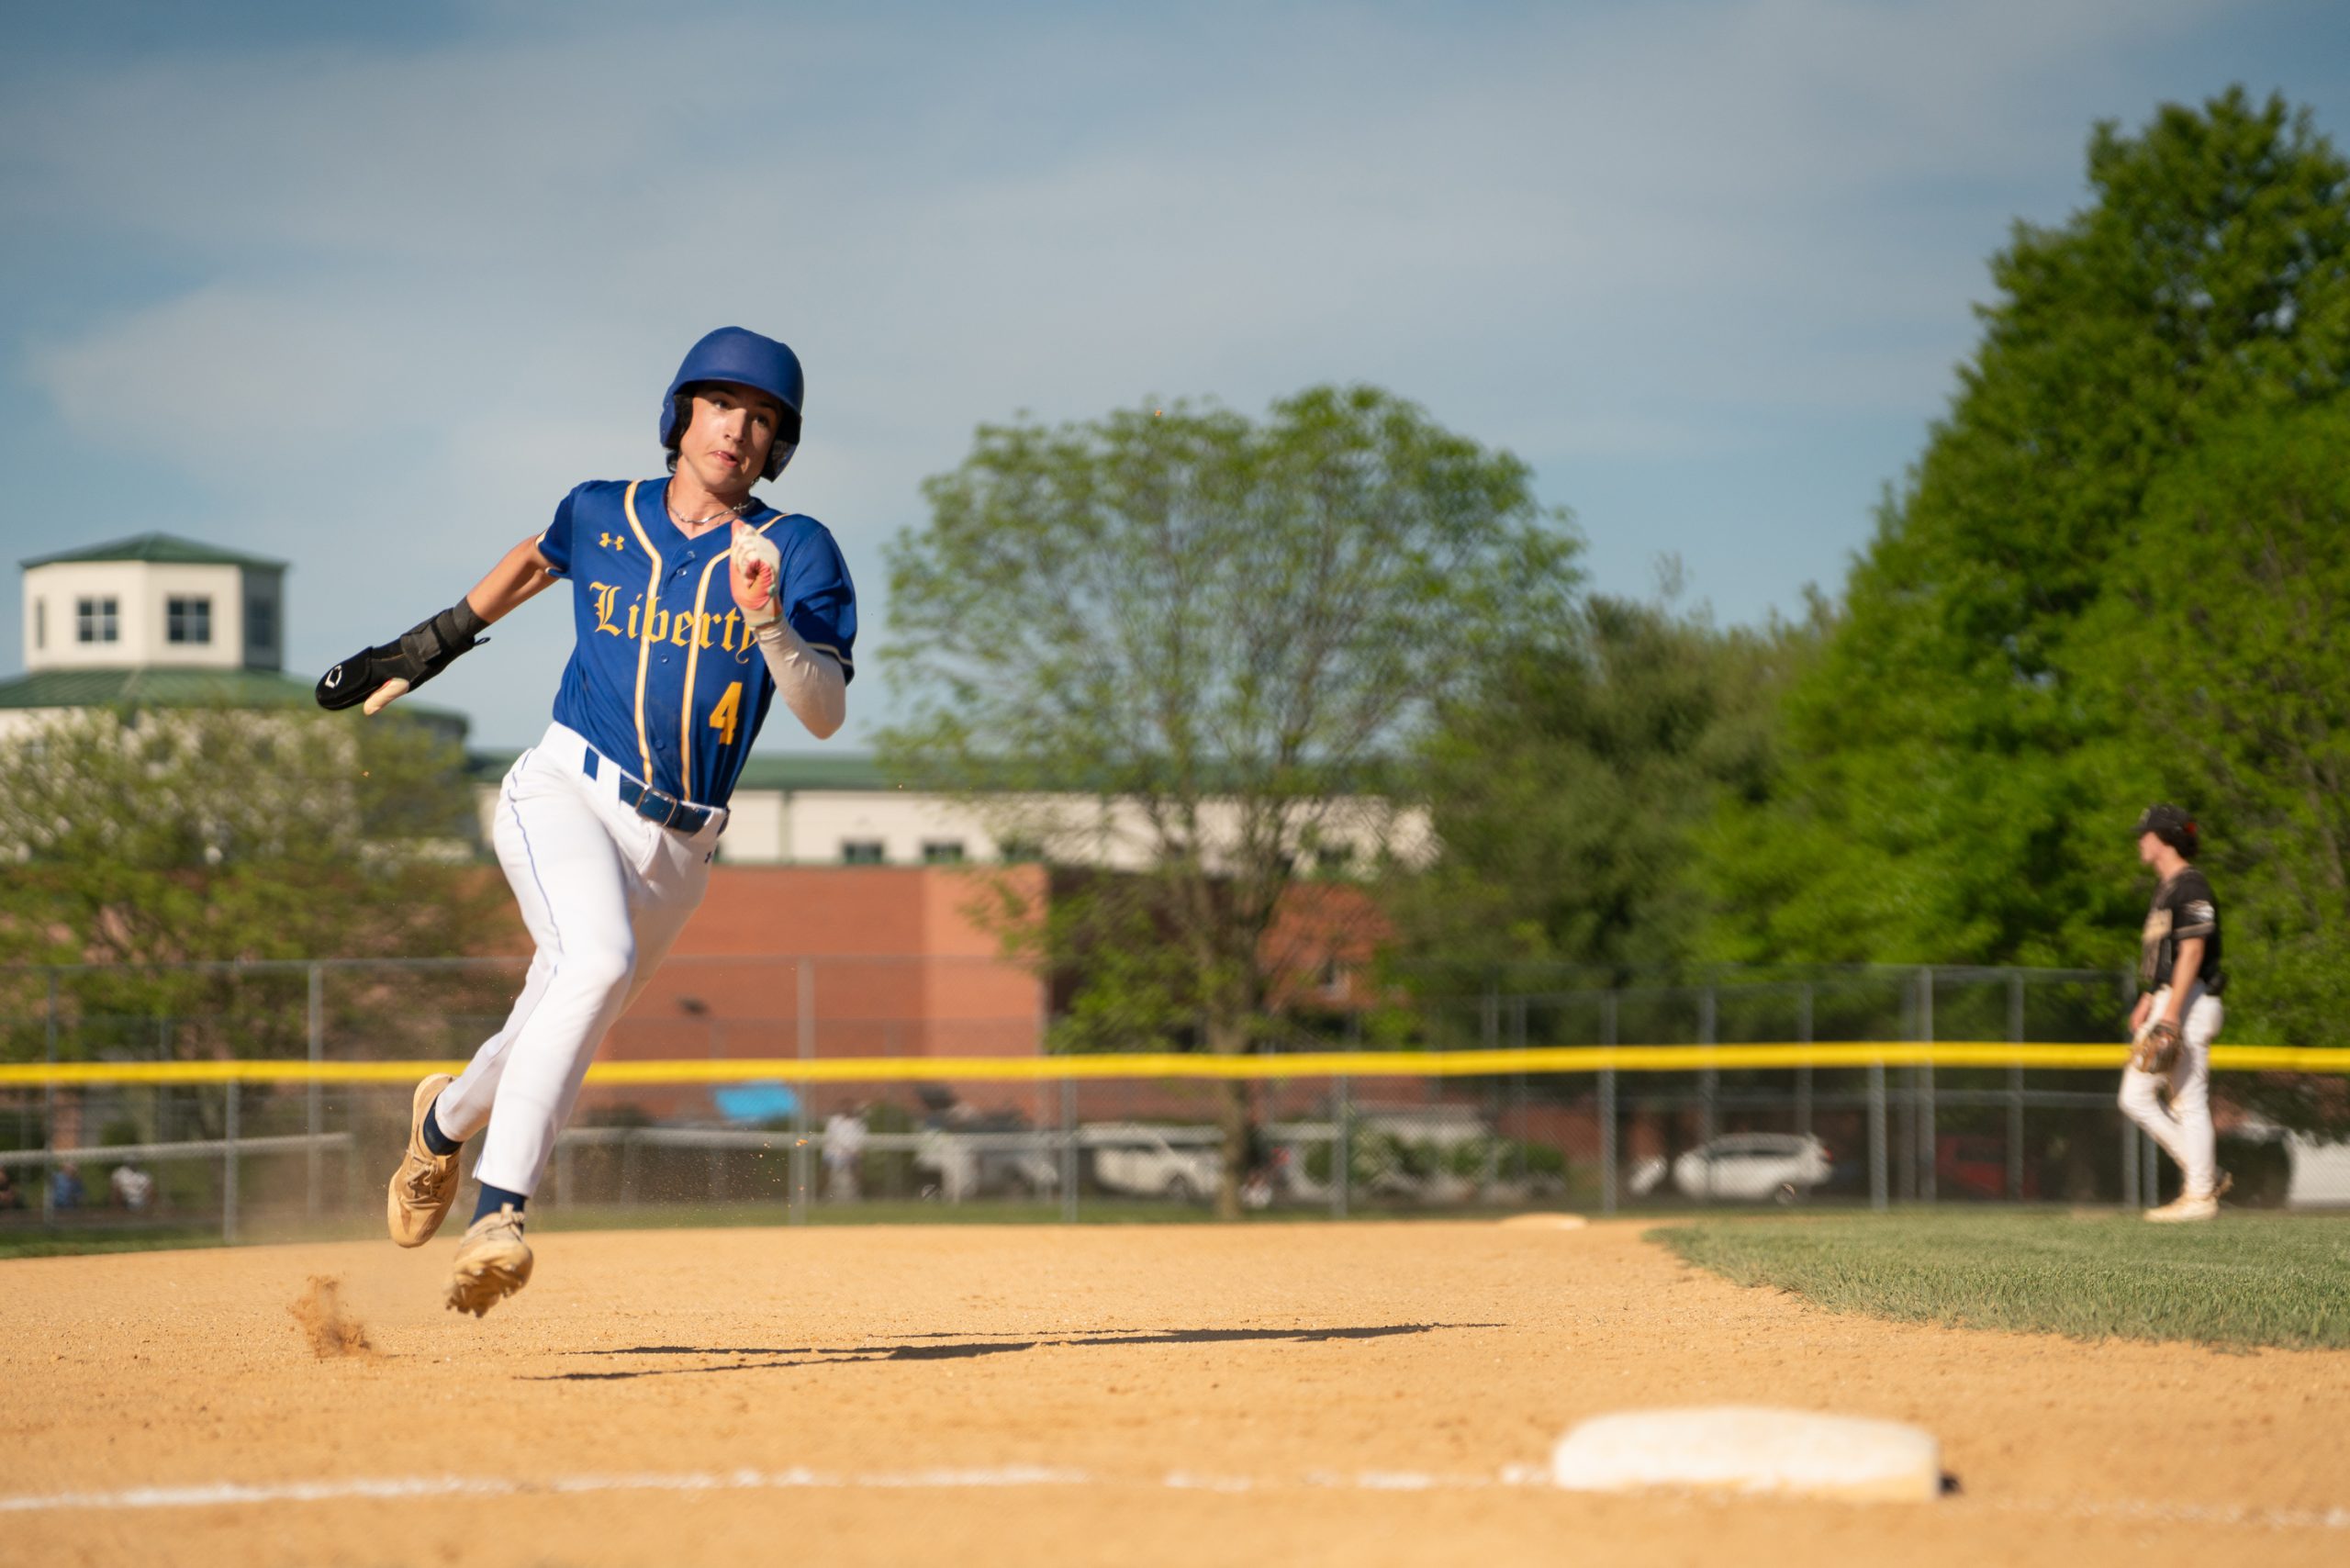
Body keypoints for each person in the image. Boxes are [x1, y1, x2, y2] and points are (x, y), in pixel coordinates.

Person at [320, 328, 856, 1315]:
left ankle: (442, 1120)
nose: (737, 427)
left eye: (762, 416)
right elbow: (535, 561)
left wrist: (770, 619)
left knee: (555, 1012)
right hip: (563, 788)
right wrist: (427, 645)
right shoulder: (602, 512)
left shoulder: (793, 550)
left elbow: (823, 711)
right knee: (596, 963)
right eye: (720, 404)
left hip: (681, 847)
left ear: (776, 443)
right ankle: (500, 1213)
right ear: (681, 415)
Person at [2121, 803, 2228, 1223]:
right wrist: (2151, 995)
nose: (2140, 841)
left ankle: (2201, 1192)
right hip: (2171, 996)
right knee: (2138, 1097)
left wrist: (2171, 1014)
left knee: (2184, 1101)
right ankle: (2205, 1176)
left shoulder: (2191, 885)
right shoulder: (2167, 886)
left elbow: (2194, 951)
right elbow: (2167, 956)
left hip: (2189, 999)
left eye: (2145, 833)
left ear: (2163, 838)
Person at [822, 1108, 868, 1203]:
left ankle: (858, 1193)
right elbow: (830, 1138)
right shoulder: (834, 1121)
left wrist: (853, 1151)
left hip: (851, 1153)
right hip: (833, 1151)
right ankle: (823, 1194)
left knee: (857, 1167)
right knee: (825, 1168)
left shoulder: (859, 1124)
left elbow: (861, 1141)